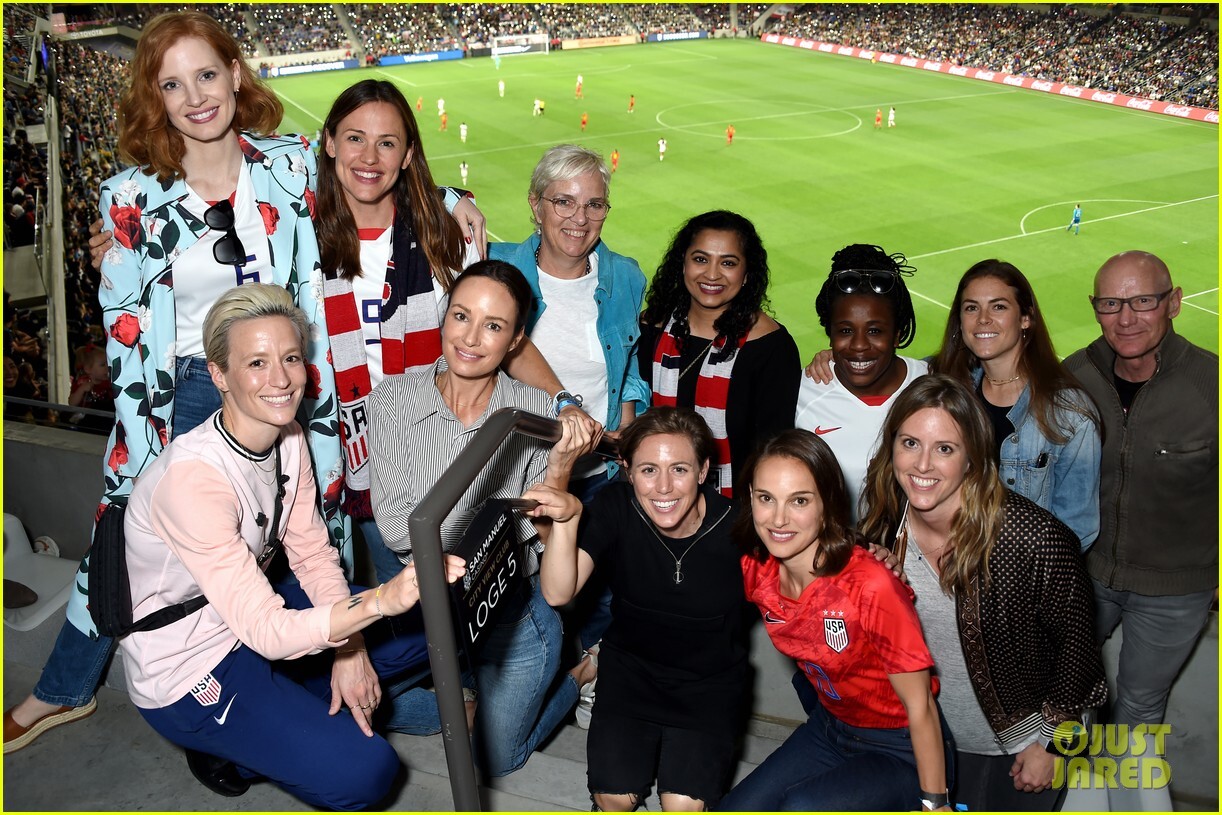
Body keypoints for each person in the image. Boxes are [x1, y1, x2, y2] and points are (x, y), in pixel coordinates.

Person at [3, 10, 345, 760]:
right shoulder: (129, 196)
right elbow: (127, 322)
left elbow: (374, 182)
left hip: (280, 388)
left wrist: (454, 200)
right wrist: (142, 428)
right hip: (183, 394)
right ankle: (63, 688)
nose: (195, 97)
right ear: (154, 99)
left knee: (287, 544)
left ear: (235, 75)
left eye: (206, 74)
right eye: (172, 84)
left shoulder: (289, 164)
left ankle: (269, 693)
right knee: (124, 551)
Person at [114, 283, 467, 809]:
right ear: (219, 375)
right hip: (190, 664)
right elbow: (267, 631)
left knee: (447, 613)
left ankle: (285, 708)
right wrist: (377, 603)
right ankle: (231, 750)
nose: (280, 380)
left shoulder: (289, 437)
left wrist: (349, 649)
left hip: (253, 615)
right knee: (367, 772)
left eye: (291, 358)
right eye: (256, 363)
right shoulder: (192, 482)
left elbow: (312, 553)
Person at [368, 259, 595, 777]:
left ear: (516, 340)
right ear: (444, 316)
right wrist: (496, 522)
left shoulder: (536, 413)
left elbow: (537, 533)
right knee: (348, 698)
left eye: (493, 326)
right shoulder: (392, 399)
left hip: (509, 614)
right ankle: (465, 697)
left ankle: (580, 673)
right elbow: (398, 529)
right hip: (426, 605)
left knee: (494, 760)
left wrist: (558, 468)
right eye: (461, 316)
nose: (470, 339)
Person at [859, 374, 1107, 811]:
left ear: (973, 456)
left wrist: (1054, 746)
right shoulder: (882, 520)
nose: (922, 465)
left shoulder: (1032, 538)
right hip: (920, 736)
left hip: (1018, 747)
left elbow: (1079, 653)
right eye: (910, 443)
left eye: (945, 449)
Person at [532, 408, 750, 811]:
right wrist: (568, 518)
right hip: (630, 677)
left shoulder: (740, 526)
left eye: (679, 469)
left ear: (703, 471)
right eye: (649, 470)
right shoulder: (616, 507)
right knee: (614, 799)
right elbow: (558, 593)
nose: (663, 487)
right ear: (628, 471)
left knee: (683, 806)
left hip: (708, 687)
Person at [721, 429, 951, 811]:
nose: (778, 518)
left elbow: (920, 706)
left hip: (899, 747)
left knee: (802, 807)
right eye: (766, 498)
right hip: (830, 728)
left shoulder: (870, 585)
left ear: (827, 503)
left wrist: (935, 802)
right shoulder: (756, 568)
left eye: (799, 500)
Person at [1064, 252, 1216, 747]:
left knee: (1140, 707)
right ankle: (1069, 784)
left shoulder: (1211, 385)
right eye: (1110, 303)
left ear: (1174, 303)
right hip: (1083, 575)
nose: (1125, 318)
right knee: (1063, 692)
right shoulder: (1074, 376)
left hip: (1175, 590)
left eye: (1142, 301)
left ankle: (1122, 789)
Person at [932, 260, 1101, 550]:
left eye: (998, 307)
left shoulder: (1069, 414)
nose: (983, 319)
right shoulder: (943, 390)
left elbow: (1076, 530)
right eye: (971, 308)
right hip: (943, 566)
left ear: (1026, 318)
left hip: (1023, 574)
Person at [639, 210, 800, 497]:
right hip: (653, 495)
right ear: (683, 263)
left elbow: (773, 447)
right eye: (700, 259)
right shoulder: (650, 328)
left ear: (747, 273)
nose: (712, 274)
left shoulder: (771, 347)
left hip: (734, 507)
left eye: (728, 263)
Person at [795, 244, 925, 519]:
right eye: (845, 331)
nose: (858, 345)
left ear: (897, 334)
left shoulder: (931, 387)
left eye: (875, 331)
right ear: (829, 334)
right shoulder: (800, 395)